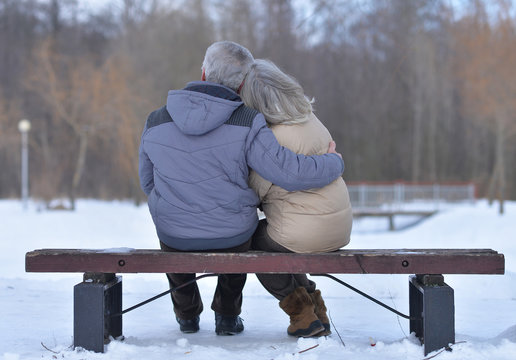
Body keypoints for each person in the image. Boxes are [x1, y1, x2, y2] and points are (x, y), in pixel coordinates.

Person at [138, 41, 345, 336]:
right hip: (232, 234)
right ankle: (227, 316)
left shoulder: (156, 120)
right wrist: (333, 162)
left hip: (174, 233)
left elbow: (147, 182)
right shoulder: (248, 121)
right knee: (242, 236)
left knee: (172, 231)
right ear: (243, 84)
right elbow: (289, 172)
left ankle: (186, 315)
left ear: (203, 72)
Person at [240, 59, 353, 338]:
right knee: (282, 242)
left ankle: (301, 315)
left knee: (252, 245)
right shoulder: (311, 120)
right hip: (338, 228)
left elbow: (256, 191)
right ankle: (315, 308)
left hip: (305, 233)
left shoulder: (272, 139)